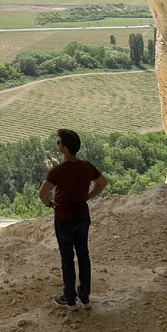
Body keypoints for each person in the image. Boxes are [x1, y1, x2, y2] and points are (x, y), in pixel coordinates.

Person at [39, 128, 106, 310]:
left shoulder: (57, 171)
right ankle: (84, 297)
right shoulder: (86, 166)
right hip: (83, 216)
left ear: (65, 149)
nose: (57, 145)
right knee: (83, 255)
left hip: (64, 218)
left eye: (58, 142)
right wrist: (88, 196)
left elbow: (43, 193)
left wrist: (49, 204)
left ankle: (69, 299)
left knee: (67, 257)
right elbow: (102, 183)